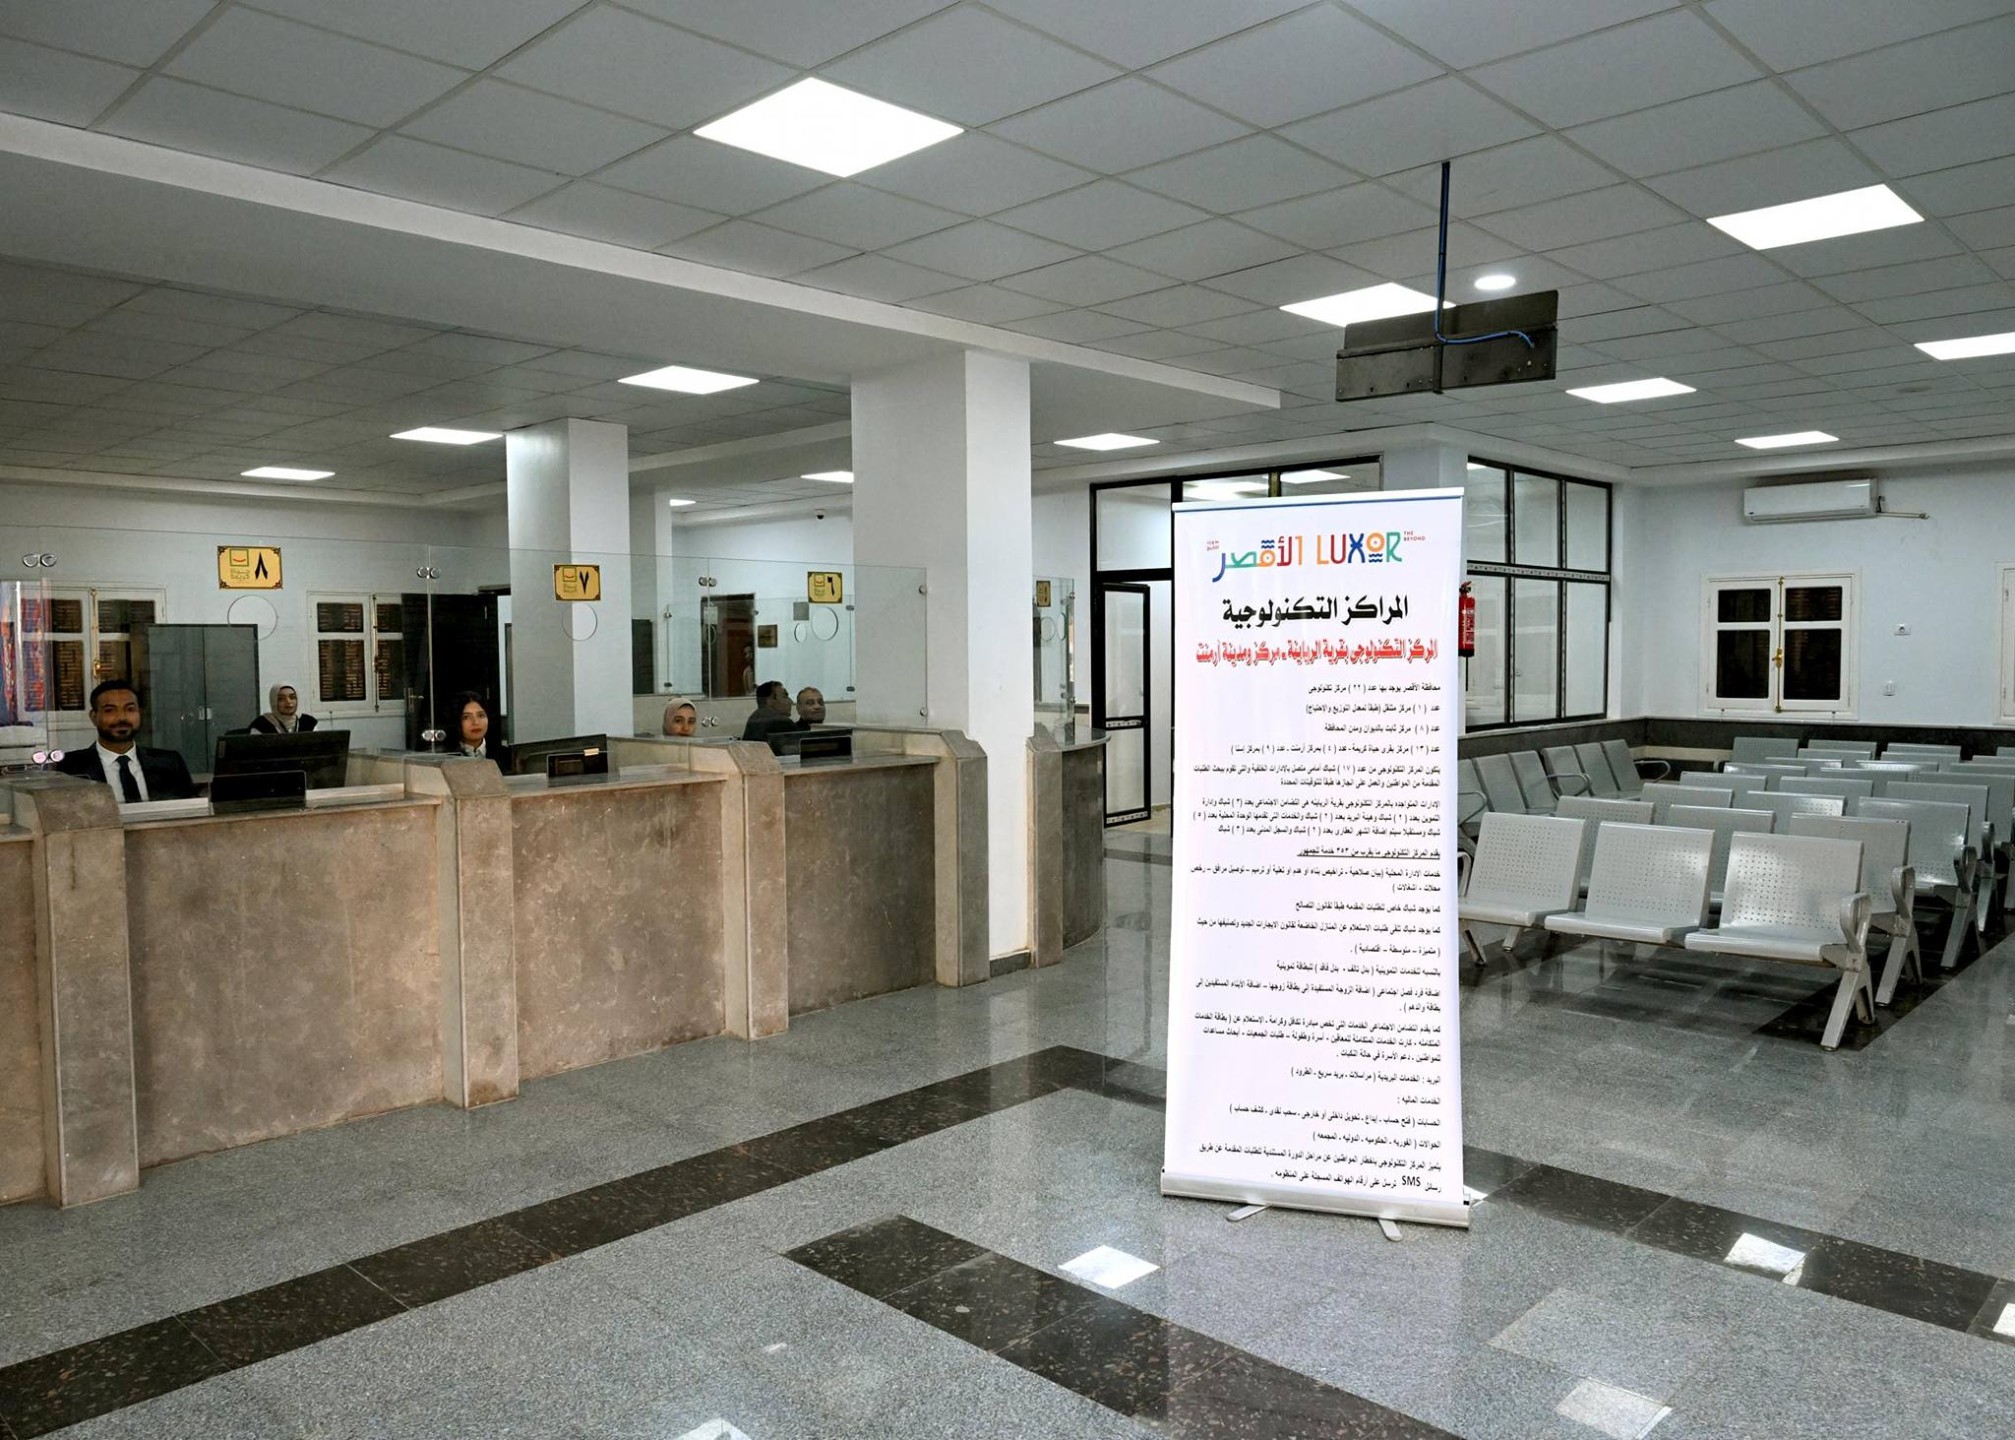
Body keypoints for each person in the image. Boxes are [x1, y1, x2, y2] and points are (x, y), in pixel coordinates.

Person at [55, 679, 196, 801]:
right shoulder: (68, 767)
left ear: (140, 713)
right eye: (110, 710)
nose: (121, 718)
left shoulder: (169, 762)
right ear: (94, 716)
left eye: (130, 709)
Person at [451, 691, 512, 772]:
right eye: (466, 717)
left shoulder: (507, 755)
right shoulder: (447, 756)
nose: (476, 722)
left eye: (481, 715)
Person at [249, 683, 317, 734]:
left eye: (292, 697)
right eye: (281, 699)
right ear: (274, 702)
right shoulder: (261, 725)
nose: (288, 701)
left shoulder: (308, 723)